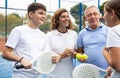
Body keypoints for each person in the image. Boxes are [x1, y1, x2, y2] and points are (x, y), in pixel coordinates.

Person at [2, 2, 46, 78]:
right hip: (21, 75)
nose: (43, 16)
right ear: (31, 14)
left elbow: (41, 55)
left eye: (44, 14)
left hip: (38, 75)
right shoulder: (18, 30)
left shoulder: (42, 35)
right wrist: (21, 59)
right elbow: (5, 53)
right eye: (41, 13)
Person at [44, 8, 78, 78]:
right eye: (63, 16)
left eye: (67, 16)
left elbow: (76, 54)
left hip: (70, 75)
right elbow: (46, 59)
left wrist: (73, 53)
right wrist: (62, 55)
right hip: (54, 75)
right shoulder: (49, 36)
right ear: (57, 20)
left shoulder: (73, 34)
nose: (66, 18)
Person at [77, 5, 109, 70]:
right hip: (88, 72)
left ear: (99, 15)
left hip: (106, 71)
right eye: (89, 15)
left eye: (95, 14)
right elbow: (80, 51)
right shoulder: (82, 33)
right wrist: (80, 57)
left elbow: (115, 51)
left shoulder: (108, 31)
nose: (92, 17)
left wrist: (111, 68)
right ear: (86, 18)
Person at [103, 0, 120, 78]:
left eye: (104, 12)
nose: (103, 16)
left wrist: (104, 51)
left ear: (112, 14)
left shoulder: (113, 31)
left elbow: (119, 67)